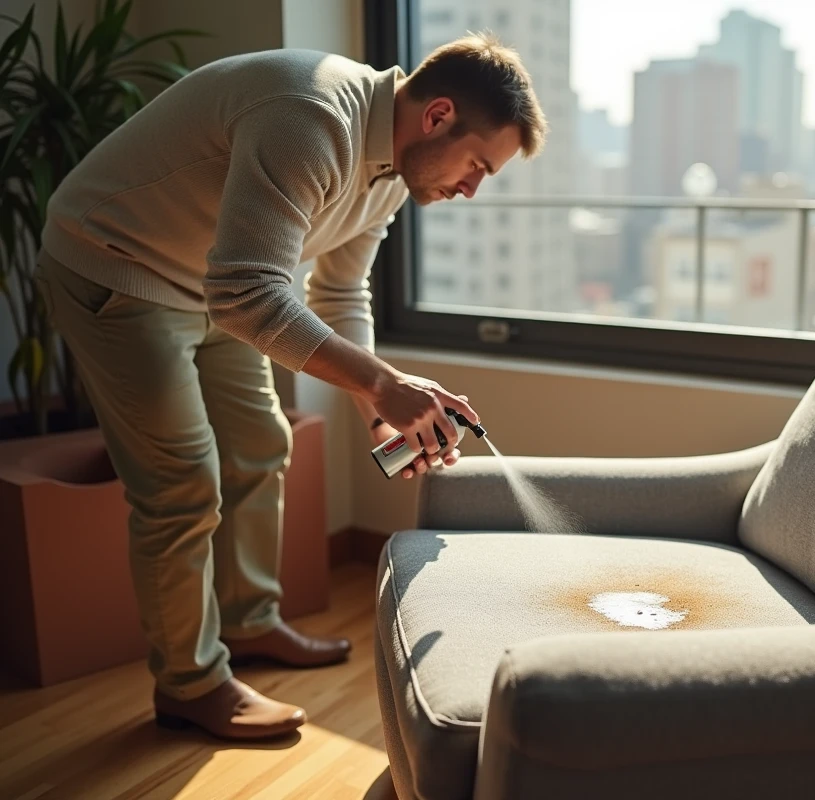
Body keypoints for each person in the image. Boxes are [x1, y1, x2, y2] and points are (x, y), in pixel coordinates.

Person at [34, 33, 546, 740]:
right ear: (437, 117)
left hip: (212, 286)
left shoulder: (391, 171)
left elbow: (341, 290)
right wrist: (384, 381)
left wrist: (379, 409)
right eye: (477, 165)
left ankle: (248, 622)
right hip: (118, 268)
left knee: (260, 444)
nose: (470, 188)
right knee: (181, 482)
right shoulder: (311, 117)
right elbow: (249, 293)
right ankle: (191, 684)